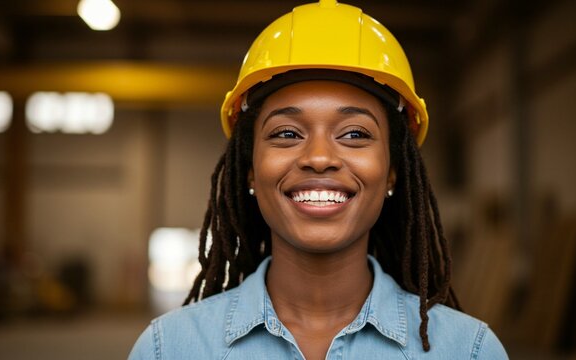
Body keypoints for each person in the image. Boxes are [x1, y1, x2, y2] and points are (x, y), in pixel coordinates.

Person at [129, 0, 509, 359]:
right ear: (250, 170)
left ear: (393, 171)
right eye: (287, 134)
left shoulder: (467, 350)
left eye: (355, 134)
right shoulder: (169, 349)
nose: (319, 158)